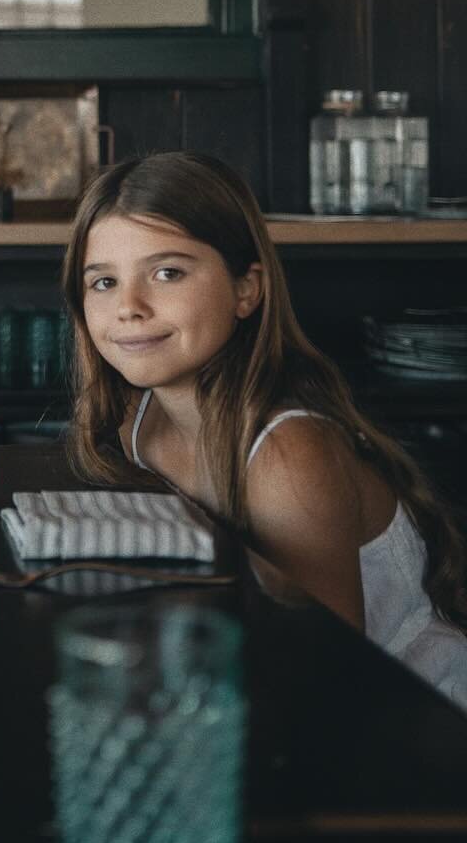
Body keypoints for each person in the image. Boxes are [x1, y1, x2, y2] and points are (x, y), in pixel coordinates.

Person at [63, 150, 467, 706]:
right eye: (103, 282)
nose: (129, 306)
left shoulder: (286, 451)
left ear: (246, 290)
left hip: (414, 719)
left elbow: (323, 669)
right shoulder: (141, 418)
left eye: (167, 272)